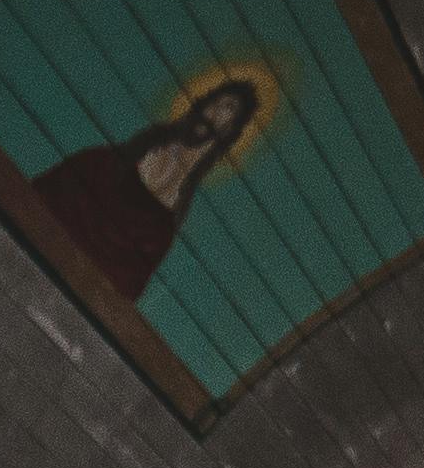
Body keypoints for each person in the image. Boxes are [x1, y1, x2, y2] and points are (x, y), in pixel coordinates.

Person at [32, 72, 262, 300]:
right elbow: (46, 198)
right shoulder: (100, 164)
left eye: (229, 108)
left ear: (231, 128)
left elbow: (125, 286)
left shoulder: (163, 226)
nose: (218, 110)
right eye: (218, 102)